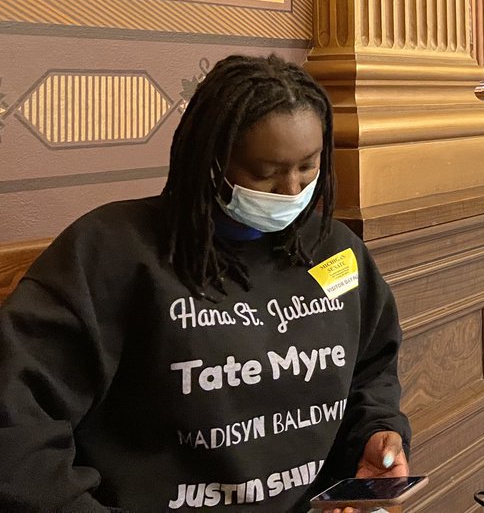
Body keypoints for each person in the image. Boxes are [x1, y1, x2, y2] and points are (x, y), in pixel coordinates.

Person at [0, 55, 410, 511]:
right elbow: (18, 419)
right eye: (265, 172)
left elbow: (372, 366)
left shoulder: (334, 250)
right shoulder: (111, 253)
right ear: (210, 159)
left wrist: (377, 430)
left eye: (307, 167)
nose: (291, 190)